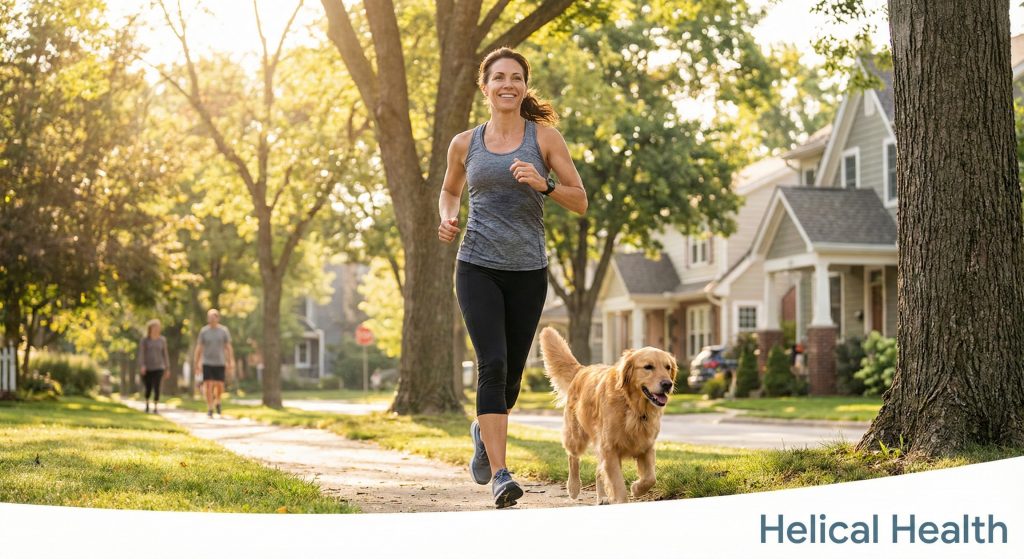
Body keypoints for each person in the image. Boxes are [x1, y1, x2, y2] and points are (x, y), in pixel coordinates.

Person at [437, 47, 588, 508]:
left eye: (516, 77)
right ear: (485, 87)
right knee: (493, 363)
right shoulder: (465, 143)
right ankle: (502, 475)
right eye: (499, 77)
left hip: (528, 270)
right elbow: (449, 190)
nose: (508, 84)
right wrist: (447, 216)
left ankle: (482, 432)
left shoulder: (545, 139)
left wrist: (544, 184)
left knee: (511, 381)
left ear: (524, 87)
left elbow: (580, 200)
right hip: (477, 266)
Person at [193, 308, 234, 418]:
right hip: (207, 362)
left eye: (213, 317)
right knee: (208, 385)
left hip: (220, 362)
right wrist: (196, 363)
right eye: (209, 317)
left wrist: (230, 361)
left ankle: (218, 401)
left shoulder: (223, 331)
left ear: (217, 318)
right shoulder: (204, 331)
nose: (211, 319)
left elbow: (228, 347)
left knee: (220, 385)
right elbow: (199, 347)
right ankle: (210, 407)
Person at [137, 319, 170, 414]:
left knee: (157, 386)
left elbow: (165, 354)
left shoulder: (162, 340)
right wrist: (142, 365)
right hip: (147, 367)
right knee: (148, 387)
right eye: (154, 327)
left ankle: (155, 407)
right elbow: (142, 353)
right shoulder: (145, 340)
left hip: (159, 367)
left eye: (158, 327)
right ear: (150, 329)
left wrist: (167, 367)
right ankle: (147, 404)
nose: (156, 329)